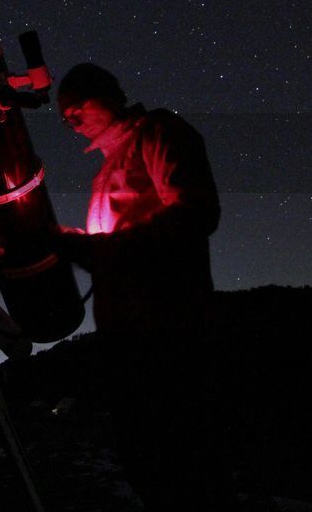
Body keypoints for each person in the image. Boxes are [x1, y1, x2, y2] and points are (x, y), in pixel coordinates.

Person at [54, 62, 232, 510]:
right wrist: (77, 244)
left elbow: (195, 213)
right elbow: (111, 246)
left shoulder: (158, 132)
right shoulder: (106, 169)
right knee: (146, 465)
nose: (69, 116)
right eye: (63, 112)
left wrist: (100, 251)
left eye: (78, 103)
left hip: (169, 332)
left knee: (181, 467)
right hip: (128, 339)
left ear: (110, 94)